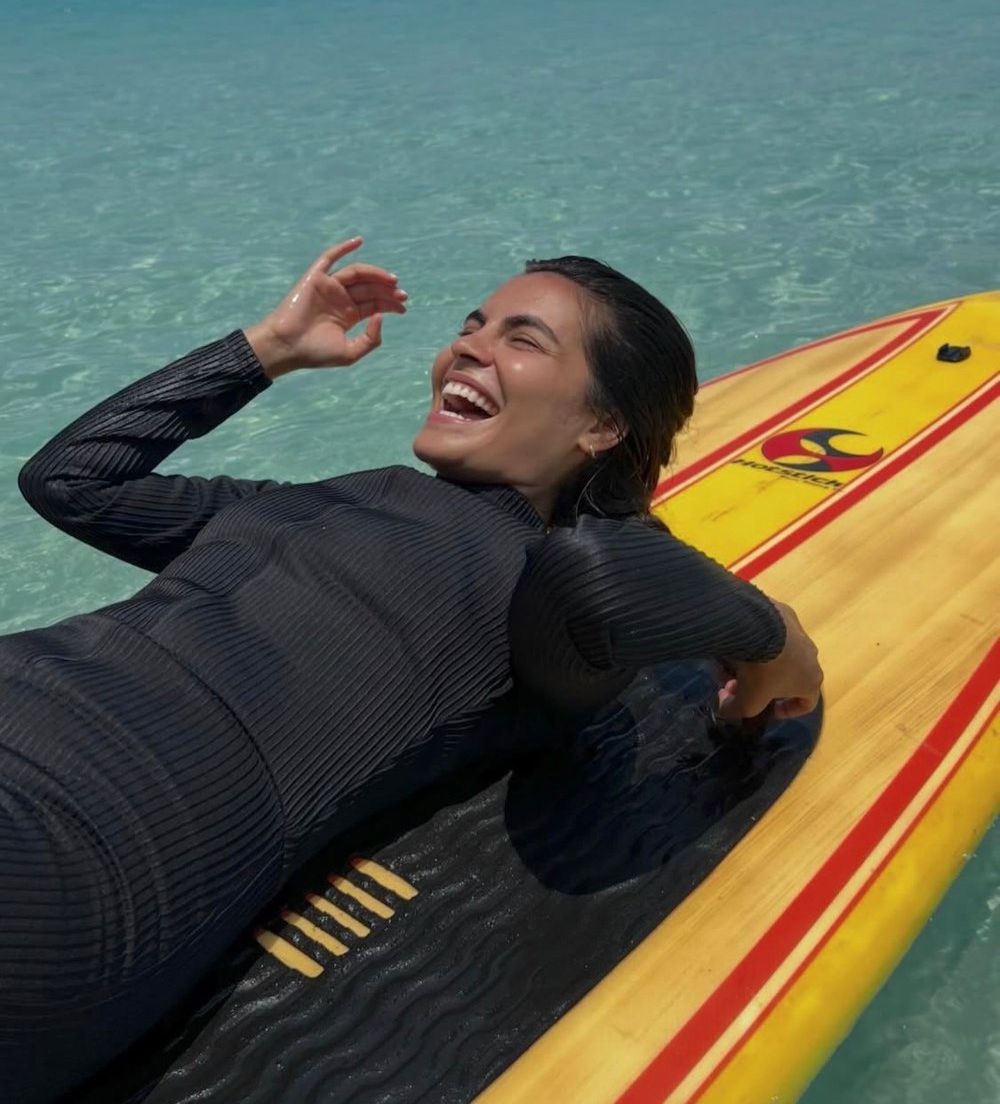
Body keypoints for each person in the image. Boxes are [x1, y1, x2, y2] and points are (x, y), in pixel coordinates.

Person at [0, 237, 822, 1101]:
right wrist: (270, 347)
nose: (468, 345)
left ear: (601, 427)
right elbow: (71, 482)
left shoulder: (532, 593)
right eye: (472, 325)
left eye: (523, 339)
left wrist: (773, 634)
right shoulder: (300, 503)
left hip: (83, 847)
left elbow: (602, 582)